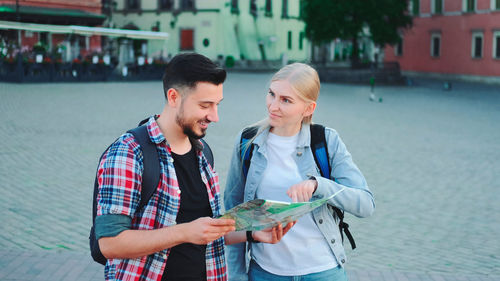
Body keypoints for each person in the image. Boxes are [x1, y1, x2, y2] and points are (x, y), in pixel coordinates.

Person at [94, 53, 293, 281]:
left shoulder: (202, 152)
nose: (214, 116)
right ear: (173, 97)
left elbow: (205, 230)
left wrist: (253, 233)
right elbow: (109, 243)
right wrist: (184, 232)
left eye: (217, 105)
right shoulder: (129, 153)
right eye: (205, 105)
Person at [224, 63, 375, 281]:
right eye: (272, 94)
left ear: (308, 109)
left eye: (286, 100)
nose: (273, 106)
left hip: (324, 272)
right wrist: (236, 275)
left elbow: (366, 204)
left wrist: (319, 185)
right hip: (266, 273)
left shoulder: (326, 141)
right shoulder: (248, 142)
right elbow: (233, 213)